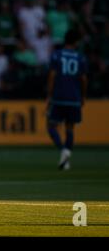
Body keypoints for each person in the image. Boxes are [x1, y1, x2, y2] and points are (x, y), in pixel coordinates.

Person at [46, 29, 88, 170]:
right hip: (74, 98)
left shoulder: (57, 55)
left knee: (52, 127)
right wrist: (83, 96)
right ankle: (66, 156)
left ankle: (63, 151)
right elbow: (83, 79)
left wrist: (49, 95)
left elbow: (52, 76)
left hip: (59, 97)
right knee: (70, 129)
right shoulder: (80, 57)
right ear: (76, 42)